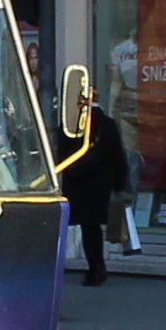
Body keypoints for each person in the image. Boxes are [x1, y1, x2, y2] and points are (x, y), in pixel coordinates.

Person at [60, 87, 130, 286]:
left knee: (83, 226)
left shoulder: (71, 125)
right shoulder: (107, 124)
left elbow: (61, 153)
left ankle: (94, 268)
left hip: (77, 181)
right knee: (92, 227)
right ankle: (96, 266)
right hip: (100, 184)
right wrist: (119, 183)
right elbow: (118, 155)